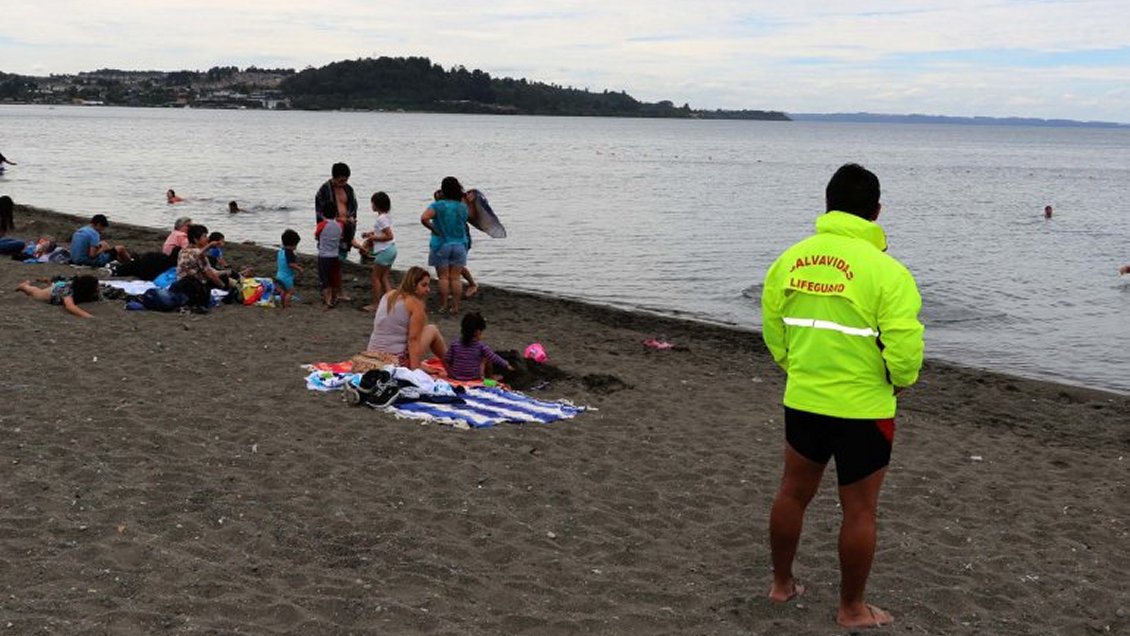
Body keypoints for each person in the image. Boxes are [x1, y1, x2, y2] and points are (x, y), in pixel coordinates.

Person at [760, 163, 924, 630]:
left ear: (827, 205)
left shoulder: (790, 259)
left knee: (793, 492)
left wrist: (797, 367)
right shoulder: (888, 272)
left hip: (805, 398)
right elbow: (905, 346)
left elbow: (775, 328)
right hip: (864, 407)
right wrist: (899, 379)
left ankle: (781, 585)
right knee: (859, 509)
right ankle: (851, 608)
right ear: (876, 211)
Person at [366, 266, 447, 370]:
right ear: (413, 285)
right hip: (394, 360)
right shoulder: (415, 305)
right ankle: (452, 369)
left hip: (371, 355)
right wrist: (415, 371)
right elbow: (413, 340)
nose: (428, 290)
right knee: (432, 330)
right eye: (424, 285)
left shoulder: (388, 295)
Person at [422, 176, 471, 314]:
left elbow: (424, 218)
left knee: (443, 277)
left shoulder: (438, 205)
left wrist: (434, 229)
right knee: (455, 278)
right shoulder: (462, 207)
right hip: (460, 244)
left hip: (442, 244)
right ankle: (455, 306)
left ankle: (443, 305)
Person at [443, 312, 511, 381]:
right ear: (478, 332)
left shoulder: (455, 344)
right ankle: (490, 377)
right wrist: (506, 364)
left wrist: (450, 373)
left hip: (456, 377)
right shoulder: (481, 346)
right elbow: (493, 357)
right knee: (486, 357)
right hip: (473, 378)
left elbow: (446, 359)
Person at [360, 191, 397, 312]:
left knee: (375, 277)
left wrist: (372, 238)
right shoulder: (386, 216)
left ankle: (376, 305)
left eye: (372, 203)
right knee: (384, 277)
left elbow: (389, 236)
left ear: (376, 204)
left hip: (385, 250)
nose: (371, 205)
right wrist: (370, 234)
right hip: (391, 249)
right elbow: (382, 232)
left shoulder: (381, 219)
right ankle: (393, 303)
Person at [314, 162, 358, 260]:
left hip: (345, 231)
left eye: (346, 180)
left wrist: (350, 218)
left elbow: (353, 207)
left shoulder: (349, 189)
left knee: (341, 258)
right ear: (334, 177)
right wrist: (338, 220)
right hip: (330, 233)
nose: (344, 183)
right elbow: (320, 213)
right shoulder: (324, 190)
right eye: (341, 180)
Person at [15, 275, 101, 319]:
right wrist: (88, 316)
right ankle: (24, 286)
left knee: (52, 286)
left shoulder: (80, 291)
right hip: (52, 293)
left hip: (59, 287)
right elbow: (70, 306)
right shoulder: (67, 290)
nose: (98, 288)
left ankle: (49, 282)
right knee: (35, 292)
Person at [175, 224, 228, 293]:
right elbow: (210, 275)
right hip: (195, 287)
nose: (207, 239)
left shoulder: (183, 250)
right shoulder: (198, 253)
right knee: (223, 278)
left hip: (181, 282)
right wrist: (224, 287)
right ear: (196, 239)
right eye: (204, 236)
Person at [315, 207, 344, 308]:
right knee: (334, 277)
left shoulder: (322, 225)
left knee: (324, 278)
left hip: (324, 255)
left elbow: (316, 235)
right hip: (335, 255)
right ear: (335, 214)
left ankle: (327, 300)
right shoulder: (340, 225)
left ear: (323, 214)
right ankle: (334, 297)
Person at [275, 229, 303, 308]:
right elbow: (290, 264)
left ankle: (283, 303)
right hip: (286, 277)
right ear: (293, 244)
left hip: (279, 275)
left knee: (283, 292)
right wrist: (299, 268)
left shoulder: (280, 251)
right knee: (290, 292)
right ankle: (286, 305)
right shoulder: (289, 253)